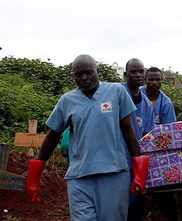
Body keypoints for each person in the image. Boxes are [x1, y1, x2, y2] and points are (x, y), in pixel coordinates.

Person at [25, 54, 149, 221]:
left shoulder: (116, 92)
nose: (84, 78)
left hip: (114, 174)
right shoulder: (67, 100)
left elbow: (129, 132)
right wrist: (34, 176)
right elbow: (52, 137)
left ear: (98, 71)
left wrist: (139, 172)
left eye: (89, 72)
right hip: (79, 176)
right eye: (78, 74)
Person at [123, 58, 156, 221]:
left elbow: (148, 137)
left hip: (134, 162)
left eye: (140, 71)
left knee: (135, 202)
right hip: (115, 161)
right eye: (133, 71)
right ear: (125, 74)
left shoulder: (147, 106)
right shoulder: (117, 94)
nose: (137, 75)